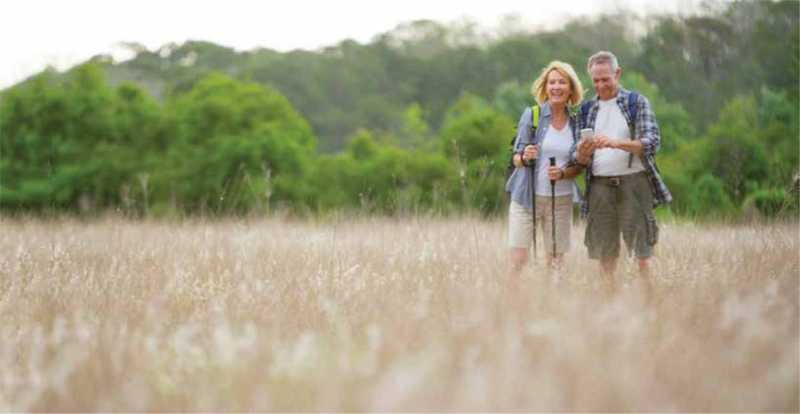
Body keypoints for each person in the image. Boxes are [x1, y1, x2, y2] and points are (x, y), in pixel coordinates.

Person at [571, 50, 672, 295]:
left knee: (642, 253)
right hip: (599, 186)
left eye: (605, 79)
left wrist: (615, 143)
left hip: (634, 183)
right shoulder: (585, 110)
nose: (600, 85)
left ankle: (650, 300)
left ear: (617, 73)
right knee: (605, 254)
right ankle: (609, 302)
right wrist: (582, 151)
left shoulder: (636, 102)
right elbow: (579, 160)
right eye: (595, 80)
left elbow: (652, 142)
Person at [505, 61, 584, 285]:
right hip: (526, 198)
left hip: (561, 199)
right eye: (552, 82)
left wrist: (562, 173)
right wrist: (525, 156)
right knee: (518, 260)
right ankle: (509, 305)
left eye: (562, 82)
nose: (556, 87)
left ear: (571, 89)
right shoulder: (533, 115)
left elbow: (579, 166)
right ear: (545, 87)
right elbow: (515, 158)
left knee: (556, 264)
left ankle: (551, 309)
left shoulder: (577, 122)